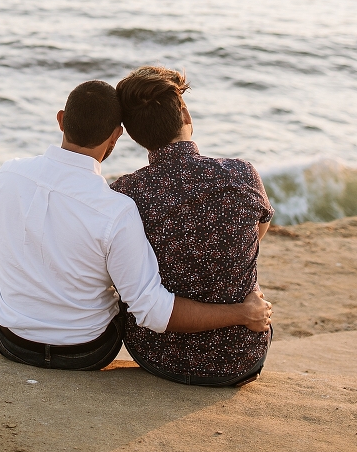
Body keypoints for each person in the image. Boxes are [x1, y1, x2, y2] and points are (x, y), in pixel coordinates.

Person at [0, 80, 272, 371]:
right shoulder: (115, 208)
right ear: (116, 136)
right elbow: (151, 310)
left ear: (60, 120)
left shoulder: (7, 174)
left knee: (3, 272)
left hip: (10, 341)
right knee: (123, 281)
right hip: (85, 352)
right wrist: (242, 313)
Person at [111, 66, 274, 386]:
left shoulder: (126, 193)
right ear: (184, 114)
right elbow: (256, 233)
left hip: (156, 355)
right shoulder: (240, 174)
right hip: (241, 357)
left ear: (134, 135)